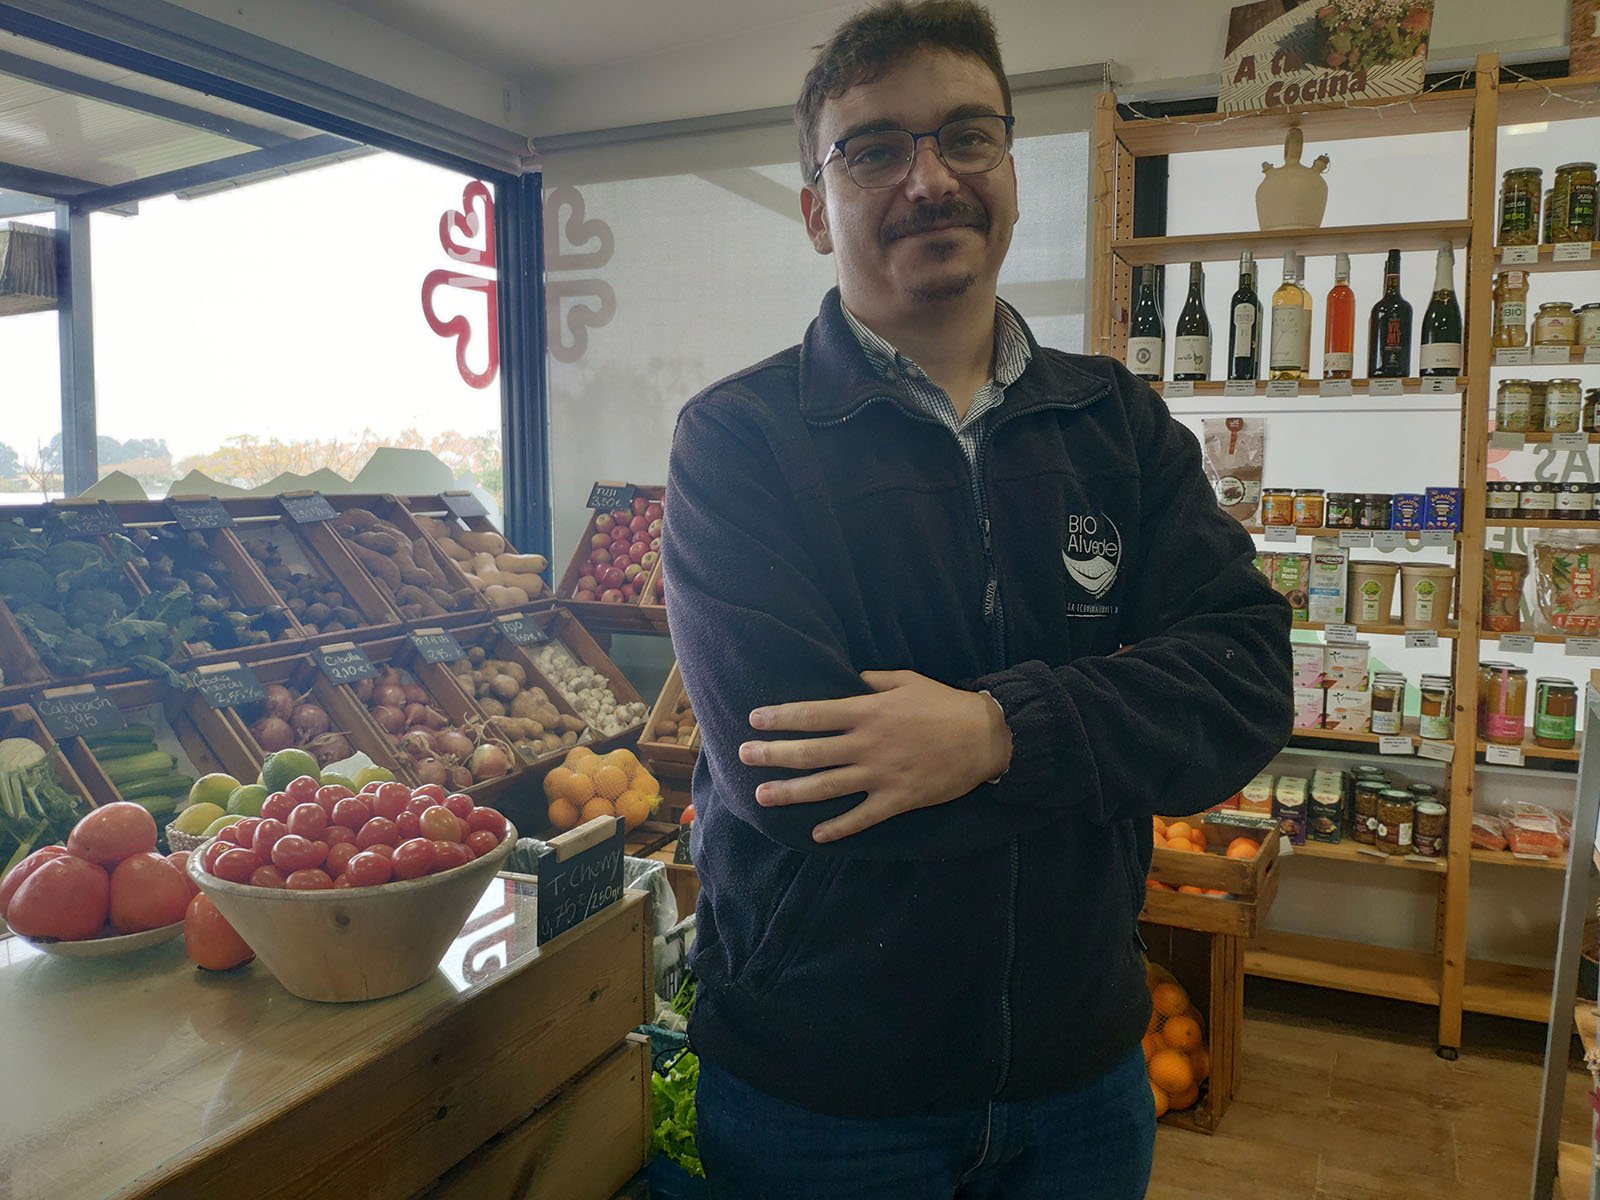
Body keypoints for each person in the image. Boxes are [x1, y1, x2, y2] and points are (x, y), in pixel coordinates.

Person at [661, 2, 1293, 1195]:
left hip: (1082, 1084)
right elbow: (793, 775)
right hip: (823, 1100)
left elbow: (1247, 681)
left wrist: (995, 734)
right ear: (815, 207)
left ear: (1010, 169)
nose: (928, 179)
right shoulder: (738, 442)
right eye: (873, 149)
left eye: (966, 137)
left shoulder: (1115, 422)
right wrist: (1112, 740)